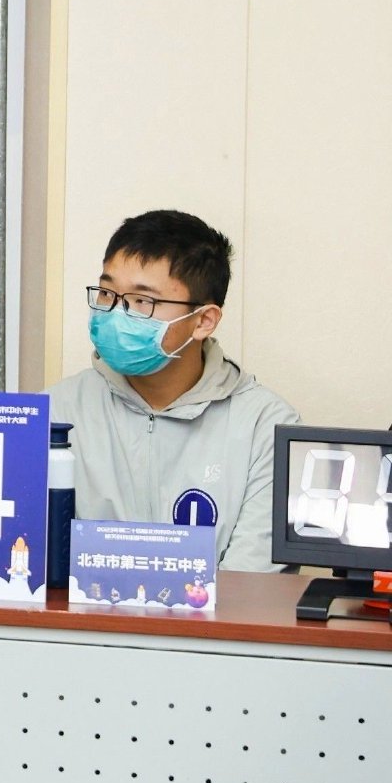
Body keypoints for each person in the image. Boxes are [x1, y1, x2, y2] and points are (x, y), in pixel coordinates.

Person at [51, 209, 298, 572]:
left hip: (218, 612)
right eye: (106, 293)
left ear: (203, 321)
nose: (115, 314)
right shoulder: (55, 412)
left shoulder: (266, 429)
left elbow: (253, 585)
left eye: (142, 301)